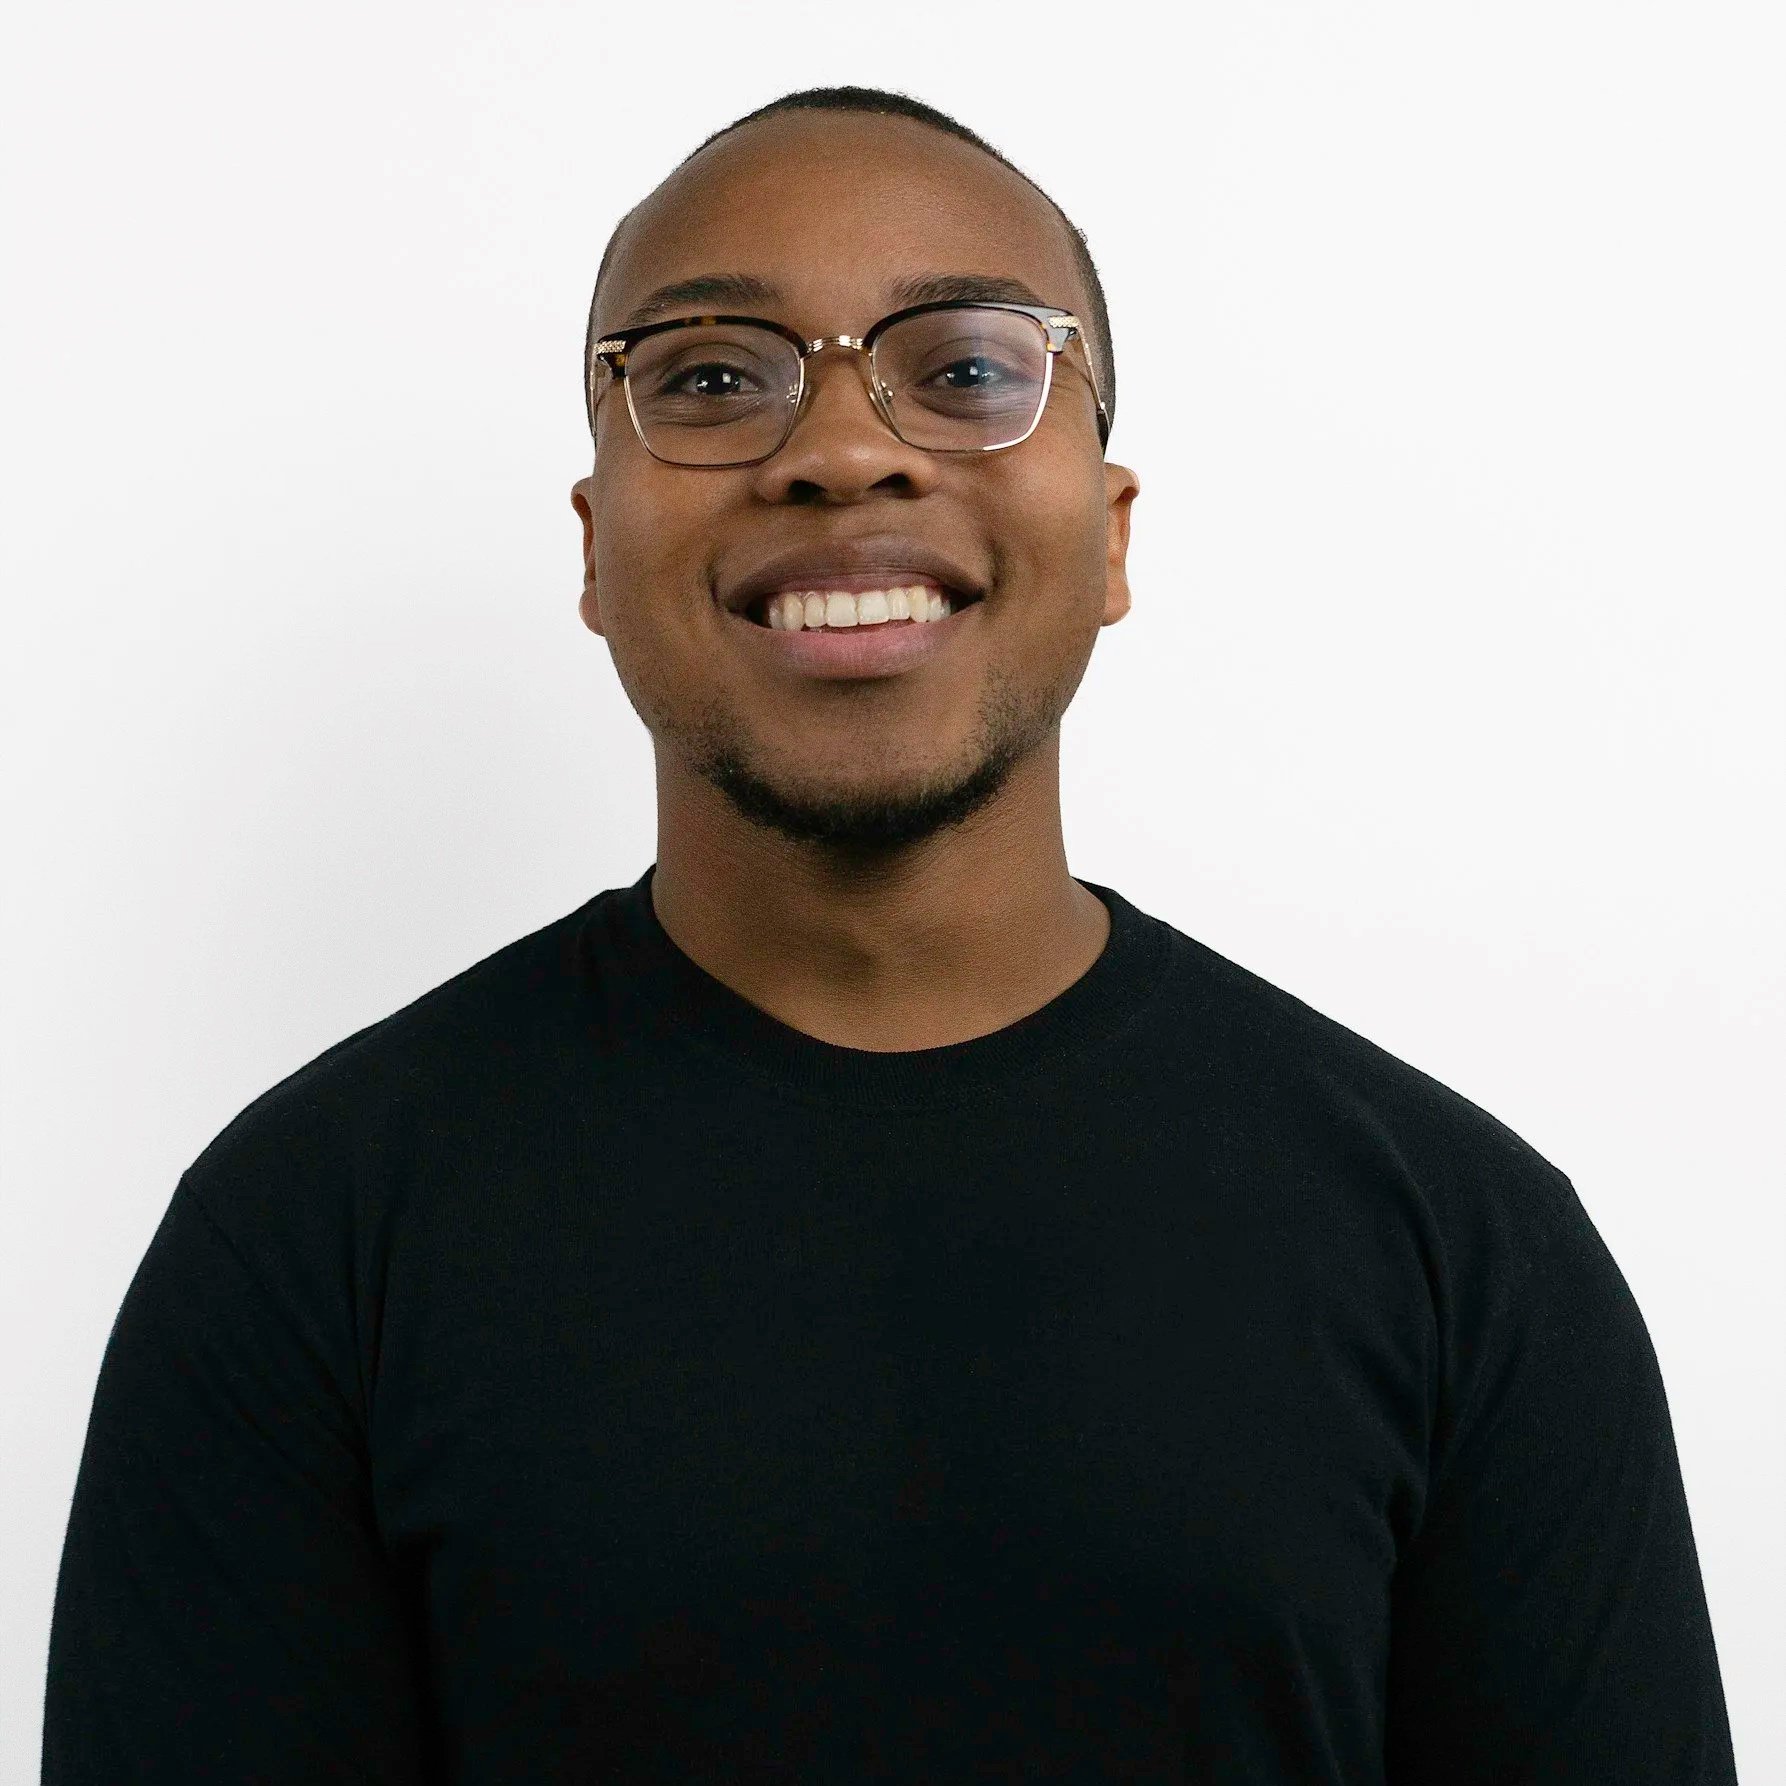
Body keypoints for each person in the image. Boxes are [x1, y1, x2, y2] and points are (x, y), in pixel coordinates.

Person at [41, 86, 1739, 1784]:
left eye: (969, 368)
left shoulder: (1465, 1249)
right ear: (595, 550)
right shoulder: (309, 1238)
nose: (846, 449)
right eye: (712, 377)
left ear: (1110, 534)